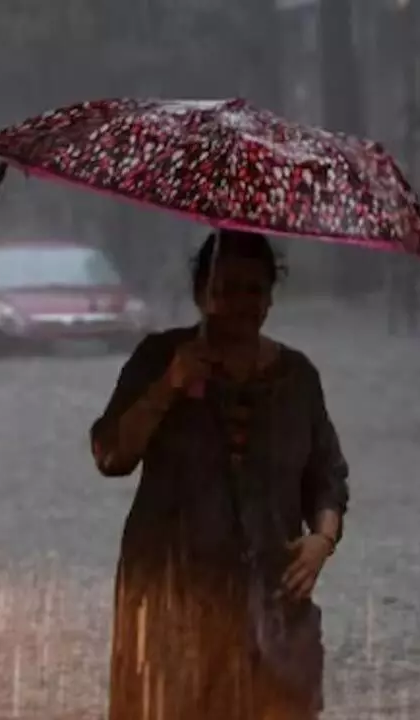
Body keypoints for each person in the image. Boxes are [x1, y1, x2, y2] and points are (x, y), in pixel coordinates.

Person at [90, 231, 350, 720]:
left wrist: (321, 540)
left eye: (254, 290)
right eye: (226, 288)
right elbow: (110, 454)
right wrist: (168, 385)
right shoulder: (160, 358)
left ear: (271, 297)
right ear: (201, 293)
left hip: (268, 596)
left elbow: (327, 473)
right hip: (172, 592)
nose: (240, 304)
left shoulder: (296, 378)